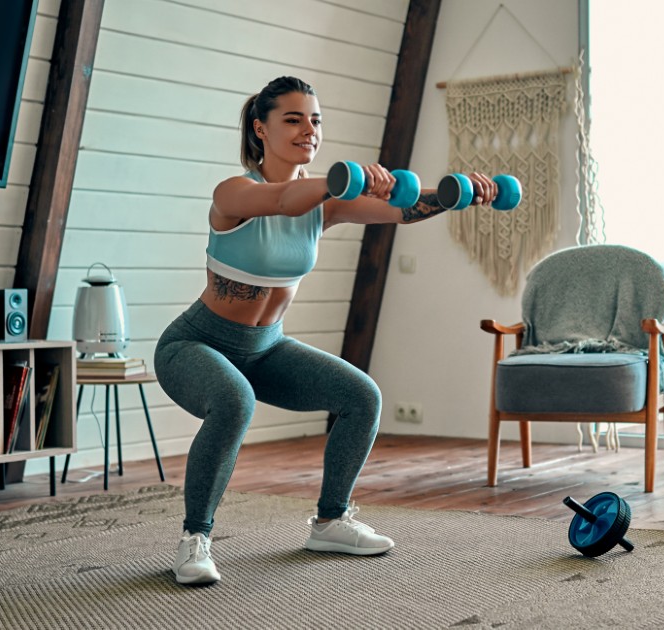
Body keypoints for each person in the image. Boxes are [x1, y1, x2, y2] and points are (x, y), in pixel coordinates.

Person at [153, 76, 498, 585]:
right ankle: (194, 541)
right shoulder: (234, 193)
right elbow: (285, 199)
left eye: (315, 120)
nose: (308, 129)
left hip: (266, 349)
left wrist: (457, 193)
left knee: (361, 395)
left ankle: (332, 520)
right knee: (234, 401)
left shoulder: (328, 200)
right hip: (195, 344)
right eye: (292, 119)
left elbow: (403, 209)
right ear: (259, 129)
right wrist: (346, 179)